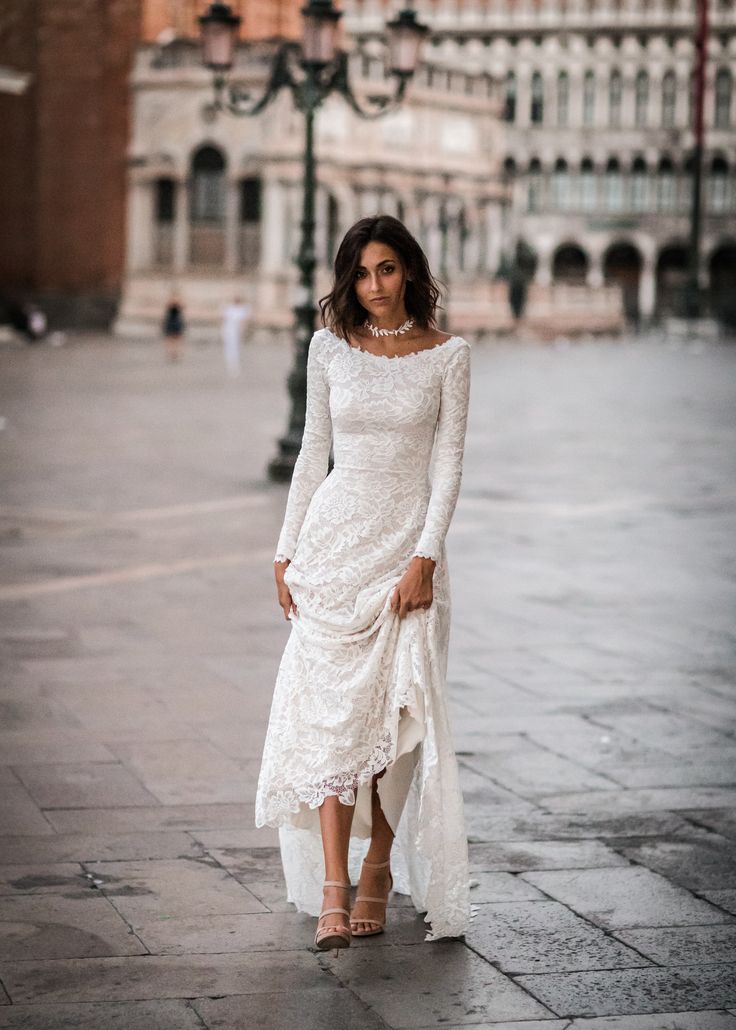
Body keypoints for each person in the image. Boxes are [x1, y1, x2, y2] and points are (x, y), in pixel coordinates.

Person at [255, 215, 472, 950]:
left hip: (403, 555)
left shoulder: (449, 355)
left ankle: (378, 865)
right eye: (360, 272)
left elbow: (447, 466)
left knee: (398, 723)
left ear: (409, 270)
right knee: (329, 719)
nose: (373, 286)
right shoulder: (327, 348)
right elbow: (314, 449)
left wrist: (426, 557)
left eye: (386, 269)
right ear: (347, 278)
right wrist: (286, 551)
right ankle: (333, 885)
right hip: (332, 549)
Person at [221, 297, 251, 377]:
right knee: (230, 348)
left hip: (236, 331)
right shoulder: (230, 308)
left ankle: (234, 363)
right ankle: (231, 363)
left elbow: (243, 321)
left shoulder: (242, 309)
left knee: (236, 348)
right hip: (229, 331)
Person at [162, 296, 184, 362]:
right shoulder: (171, 304)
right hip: (172, 322)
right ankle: (172, 352)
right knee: (171, 339)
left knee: (175, 339)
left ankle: (174, 352)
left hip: (175, 322)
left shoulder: (177, 304)